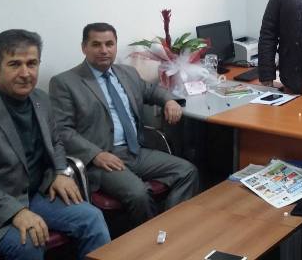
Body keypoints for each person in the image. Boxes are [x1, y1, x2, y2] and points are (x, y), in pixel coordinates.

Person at [0, 29, 110, 260]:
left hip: (31, 193)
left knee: (92, 218)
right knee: (28, 243)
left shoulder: (41, 100)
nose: (25, 73)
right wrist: (16, 212)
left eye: (32, 63)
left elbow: (56, 141)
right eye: (14, 64)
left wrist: (60, 172)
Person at [49, 23, 199, 227]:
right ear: (84, 47)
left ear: (115, 46)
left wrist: (169, 101)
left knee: (187, 171)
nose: (104, 50)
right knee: (138, 193)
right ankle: (150, 237)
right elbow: (62, 131)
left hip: (136, 151)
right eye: (96, 44)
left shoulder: (127, 73)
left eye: (109, 44)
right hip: (102, 158)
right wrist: (96, 154)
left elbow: (151, 91)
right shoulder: (65, 82)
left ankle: (172, 227)